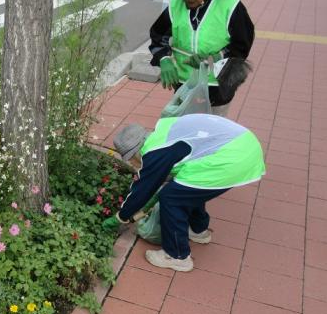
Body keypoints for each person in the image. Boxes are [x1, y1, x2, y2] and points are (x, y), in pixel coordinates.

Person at [102, 115, 265, 272]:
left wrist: (121, 217)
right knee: (187, 188)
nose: (131, 162)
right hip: (244, 144)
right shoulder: (162, 133)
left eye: (130, 158)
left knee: (171, 198)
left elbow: (143, 190)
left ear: (135, 151)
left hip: (233, 159)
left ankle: (177, 255)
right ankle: (198, 230)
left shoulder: (154, 153)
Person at [149, 0, 255, 116]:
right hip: (185, 83)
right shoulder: (176, 4)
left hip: (218, 85)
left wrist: (216, 56)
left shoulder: (230, 5)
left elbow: (242, 44)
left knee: (211, 130)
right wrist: (163, 59)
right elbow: (158, 35)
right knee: (184, 125)